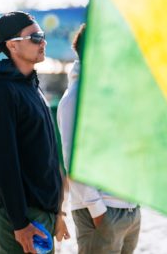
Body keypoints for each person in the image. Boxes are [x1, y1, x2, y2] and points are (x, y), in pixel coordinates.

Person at [0, 12, 70, 253]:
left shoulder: (31, 85)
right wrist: (20, 223)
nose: (43, 41)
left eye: (43, 36)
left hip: (42, 211)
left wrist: (57, 210)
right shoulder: (1, 92)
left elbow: (49, 154)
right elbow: (3, 161)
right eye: (35, 37)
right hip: (20, 216)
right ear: (12, 45)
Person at [57, 24, 141, 254]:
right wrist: (98, 211)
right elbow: (71, 159)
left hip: (129, 209)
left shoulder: (112, 93)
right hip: (101, 212)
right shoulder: (74, 98)